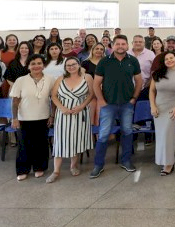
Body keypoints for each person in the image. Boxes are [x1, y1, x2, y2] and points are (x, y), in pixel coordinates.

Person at [90, 35, 143, 178]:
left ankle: (126, 161)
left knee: (127, 131)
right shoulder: (104, 61)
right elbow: (96, 84)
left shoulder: (133, 61)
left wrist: (134, 98)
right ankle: (98, 165)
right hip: (108, 105)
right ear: (113, 46)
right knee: (104, 134)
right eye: (117, 44)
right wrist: (101, 101)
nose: (120, 46)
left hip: (127, 104)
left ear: (127, 46)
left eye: (123, 44)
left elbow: (139, 81)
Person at [47, 58, 94, 182]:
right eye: (68, 65)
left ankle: (73, 166)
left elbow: (91, 94)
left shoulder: (87, 77)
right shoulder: (60, 78)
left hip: (80, 112)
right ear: (65, 67)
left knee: (76, 139)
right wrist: (62, 108)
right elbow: (54, 96)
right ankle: (56, 171)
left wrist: (81, 106)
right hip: (63, 113)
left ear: (79, 65)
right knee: (59, 141)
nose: (71, 67)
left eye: (74, 64)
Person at [10, 55, 52, 181]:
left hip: (43, 117)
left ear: (44, 65)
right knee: (24, 145)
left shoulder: (50, 79)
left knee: (41, 144)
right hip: (24, 118)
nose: (36, 66)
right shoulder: (21, 80)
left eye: (39, 63)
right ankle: (23, 170)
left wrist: (52, 115)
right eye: (33, 63)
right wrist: (14, 118)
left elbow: (54, 99)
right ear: (28, 66)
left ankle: (40, 167)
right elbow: (15, 101)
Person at [149, 52, 175, 176]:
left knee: (168, 135)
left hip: (173, 109)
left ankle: (169, 164)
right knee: (161, 136)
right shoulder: (156, 74)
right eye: (167, 59)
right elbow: (152, 91)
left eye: (171, 58)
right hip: (159, 109)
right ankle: (163, 161)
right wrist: (153, 106)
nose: (169, 60)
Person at [127, 35, 155, 101]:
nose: (138, 43)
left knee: (142, 107)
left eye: (140, 42)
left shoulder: (150, 54)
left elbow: (154, 71)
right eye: (136, 42)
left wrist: (149, 84)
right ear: (132, 43)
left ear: (144, 43)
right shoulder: (126, 54)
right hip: (127, 89)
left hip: (145, 89)